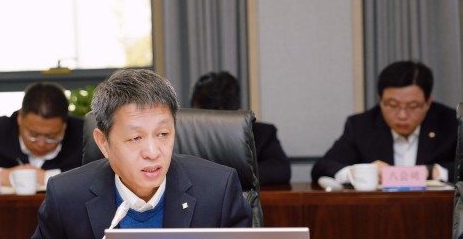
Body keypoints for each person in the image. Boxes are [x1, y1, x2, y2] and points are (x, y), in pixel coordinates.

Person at [21, 68, 252, 239]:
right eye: (135, 138)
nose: (152, 152)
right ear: (103, 143)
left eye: (163, 134)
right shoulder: (67, 194)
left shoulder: (218, 188)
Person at [311, 60, 457, 184]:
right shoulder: (361, 126)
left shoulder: (452, 123)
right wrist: (357, 173)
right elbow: (323, 167)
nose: (402, 115)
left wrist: (434, 172)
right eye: (392, 105)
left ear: (428, 102)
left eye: (413, 106)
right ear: (380, 100)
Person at [190, 71, 291, 185]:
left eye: (198, 115)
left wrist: (224, 175)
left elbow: (280, 170)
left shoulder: (261, 134)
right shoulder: (189, 137)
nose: (195, 123)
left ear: (220, 111)